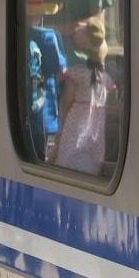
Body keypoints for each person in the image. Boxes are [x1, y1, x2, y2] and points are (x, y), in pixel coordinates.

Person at [49, 19, 112, 175]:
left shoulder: (77, 74)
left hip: (75, 128)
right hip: (95, 133)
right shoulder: (106, 79)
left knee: (67, 161)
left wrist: (59, 129)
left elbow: (65, 104)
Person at [24, 0, 68, 161]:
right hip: (44, 112)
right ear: (41, 13)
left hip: (22, 110)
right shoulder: (49, 36)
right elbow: (61, 70)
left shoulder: (14, 36)